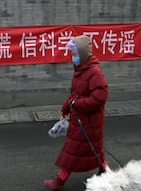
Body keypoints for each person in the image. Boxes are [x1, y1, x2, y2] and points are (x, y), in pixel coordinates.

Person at [43, 35, 109, 191]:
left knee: (73, 151)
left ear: (83, 53)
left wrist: (76, 104)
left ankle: (59, 181)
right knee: (94, 150)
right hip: (81, 119)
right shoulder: (81, 70)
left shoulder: (94, 72)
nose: (73, 57)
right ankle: (106, 172)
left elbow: (100, 98)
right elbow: (75, 94)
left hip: (88, 121)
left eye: (75, 54)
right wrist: (66, 107)